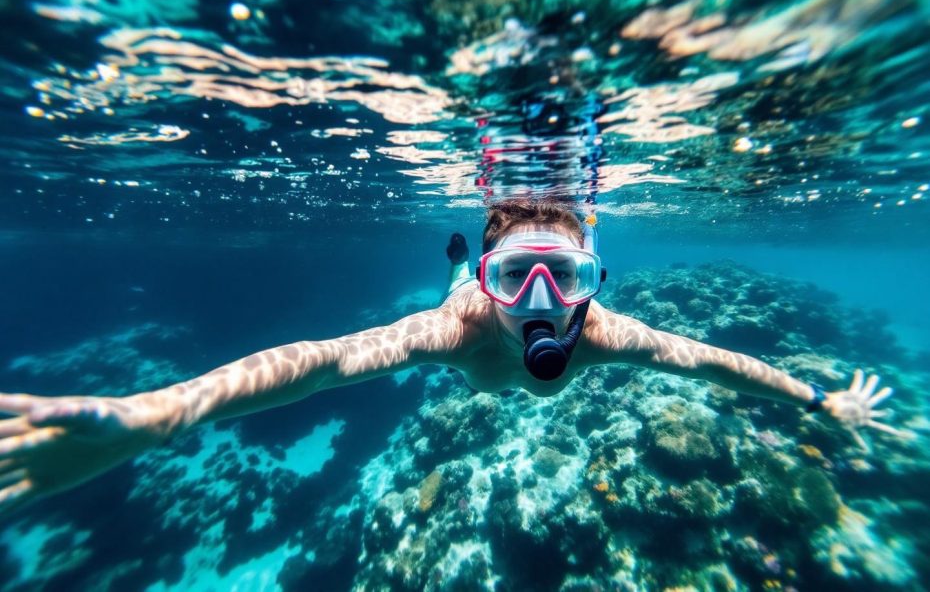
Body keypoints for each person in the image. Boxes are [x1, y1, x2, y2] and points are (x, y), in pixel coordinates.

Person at [0, 199, 908, 517]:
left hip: (476, 285)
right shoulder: (463, 325)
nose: (545, 305)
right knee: (442, 296)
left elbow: (713, 362)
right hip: (456, 292)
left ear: (596, 278)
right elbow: (323, 360)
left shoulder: (603, 331)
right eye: (520, 279)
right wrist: (163, 413)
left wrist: (819, 400)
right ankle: (449, 265)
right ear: (493, 280)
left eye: (570, 277)